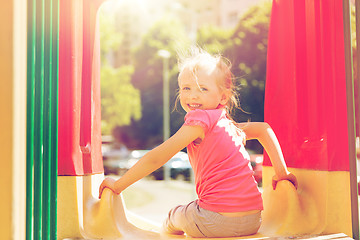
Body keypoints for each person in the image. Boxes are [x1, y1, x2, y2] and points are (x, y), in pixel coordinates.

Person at [98, 47, 298, 238]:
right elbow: (264, 129)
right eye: (186, 88)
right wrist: (282, 173)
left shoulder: (199, 121)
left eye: (203, 88)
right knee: (194, 209)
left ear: (223, 96)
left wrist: (118, 185)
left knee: (174, 216)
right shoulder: (228, 125)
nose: (193, 95)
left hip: (215, 221)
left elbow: (157, 157)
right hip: (253, 220)